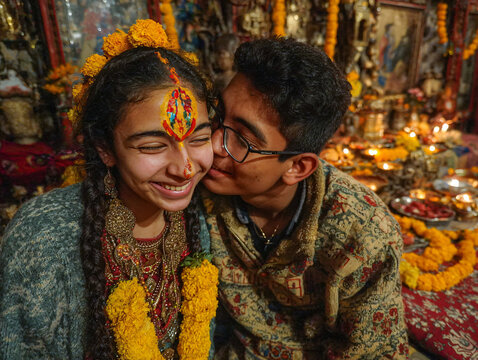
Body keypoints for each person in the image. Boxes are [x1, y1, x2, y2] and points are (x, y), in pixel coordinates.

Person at [0, 20, 218, 360]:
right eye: (152, 147)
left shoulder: (193, 218)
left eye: (200, 139)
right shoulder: (43, 236)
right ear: (105, 148)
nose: (185, 168)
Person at [201, 38, 408, 359]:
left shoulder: (364, 234)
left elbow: (373, 352)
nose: (213, 143)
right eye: (217, 114)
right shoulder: (194, 184)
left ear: (297, 167)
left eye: (242, 139)